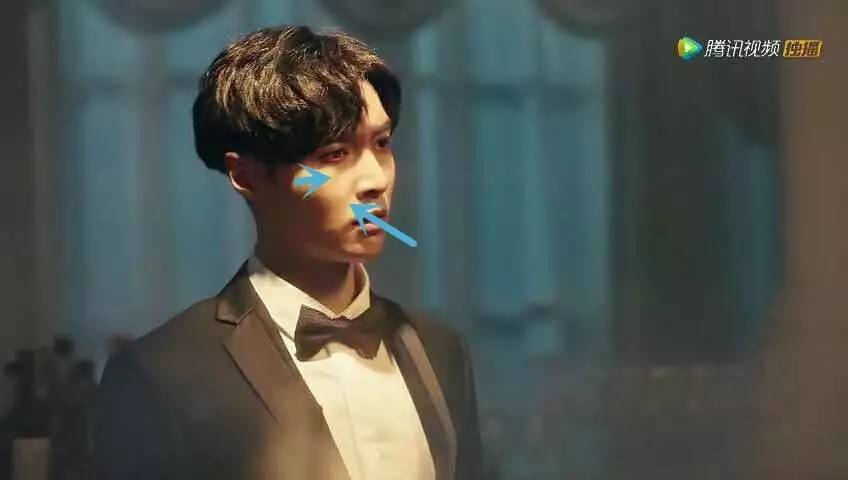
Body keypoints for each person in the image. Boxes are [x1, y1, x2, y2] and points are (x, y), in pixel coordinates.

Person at [92, 25, 482, 480]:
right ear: (247, 176)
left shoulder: (440, 349)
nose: (375, 180)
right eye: (334, 154)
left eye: (381, 143)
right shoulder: (161, 373)